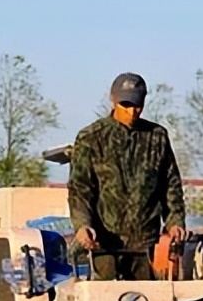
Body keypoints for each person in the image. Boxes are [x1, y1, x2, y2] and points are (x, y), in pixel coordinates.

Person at [66, 72, 187, 280]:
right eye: (126, 105)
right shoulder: (91, 138)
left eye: (137, 105)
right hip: (105, 243)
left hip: (146, 244)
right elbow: (80, 189)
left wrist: (175, 222)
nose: (132, 111)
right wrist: (82, 225)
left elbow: (170, 185)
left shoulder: (157, 137)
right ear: (113, 100)